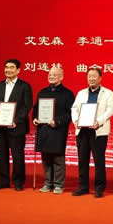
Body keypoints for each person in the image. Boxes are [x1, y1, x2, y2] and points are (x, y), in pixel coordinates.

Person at [71, 67, 113, 198]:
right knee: (82, 160)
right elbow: (74, 108)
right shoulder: (81, 93)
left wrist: (99, 121)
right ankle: (83, 187)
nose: (91, 79)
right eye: (89, 76)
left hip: (98, 131)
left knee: (99, 160)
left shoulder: (108, 93)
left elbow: (110, 109)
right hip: (82, 130)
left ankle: (99, 188)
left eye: (94, 76)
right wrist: (76, 120)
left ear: (100, 78)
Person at [0, 59, 33, 191]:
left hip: (16, 127)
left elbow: (27, 106)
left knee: (17, 156)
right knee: (1, 155)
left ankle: (18, 182)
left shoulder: (25, 86)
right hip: (0, 126)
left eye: (11, 67)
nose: (8, 70)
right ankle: (3, 181)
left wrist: (16, 120)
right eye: (6, 67)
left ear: (18, 70)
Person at [32, 66, 74, 195]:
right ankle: (47, 183)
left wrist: (57, 122)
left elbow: (70, 114)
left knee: (57, 158)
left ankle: (58, 184)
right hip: (43, 129)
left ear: (61, 77)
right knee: (45, 158)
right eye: (50, 74)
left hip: (58, 130)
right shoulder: (42, 92)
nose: (51, 76)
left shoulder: (67, 94)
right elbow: (35, 109)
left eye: (55, 75)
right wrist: (35, 118)